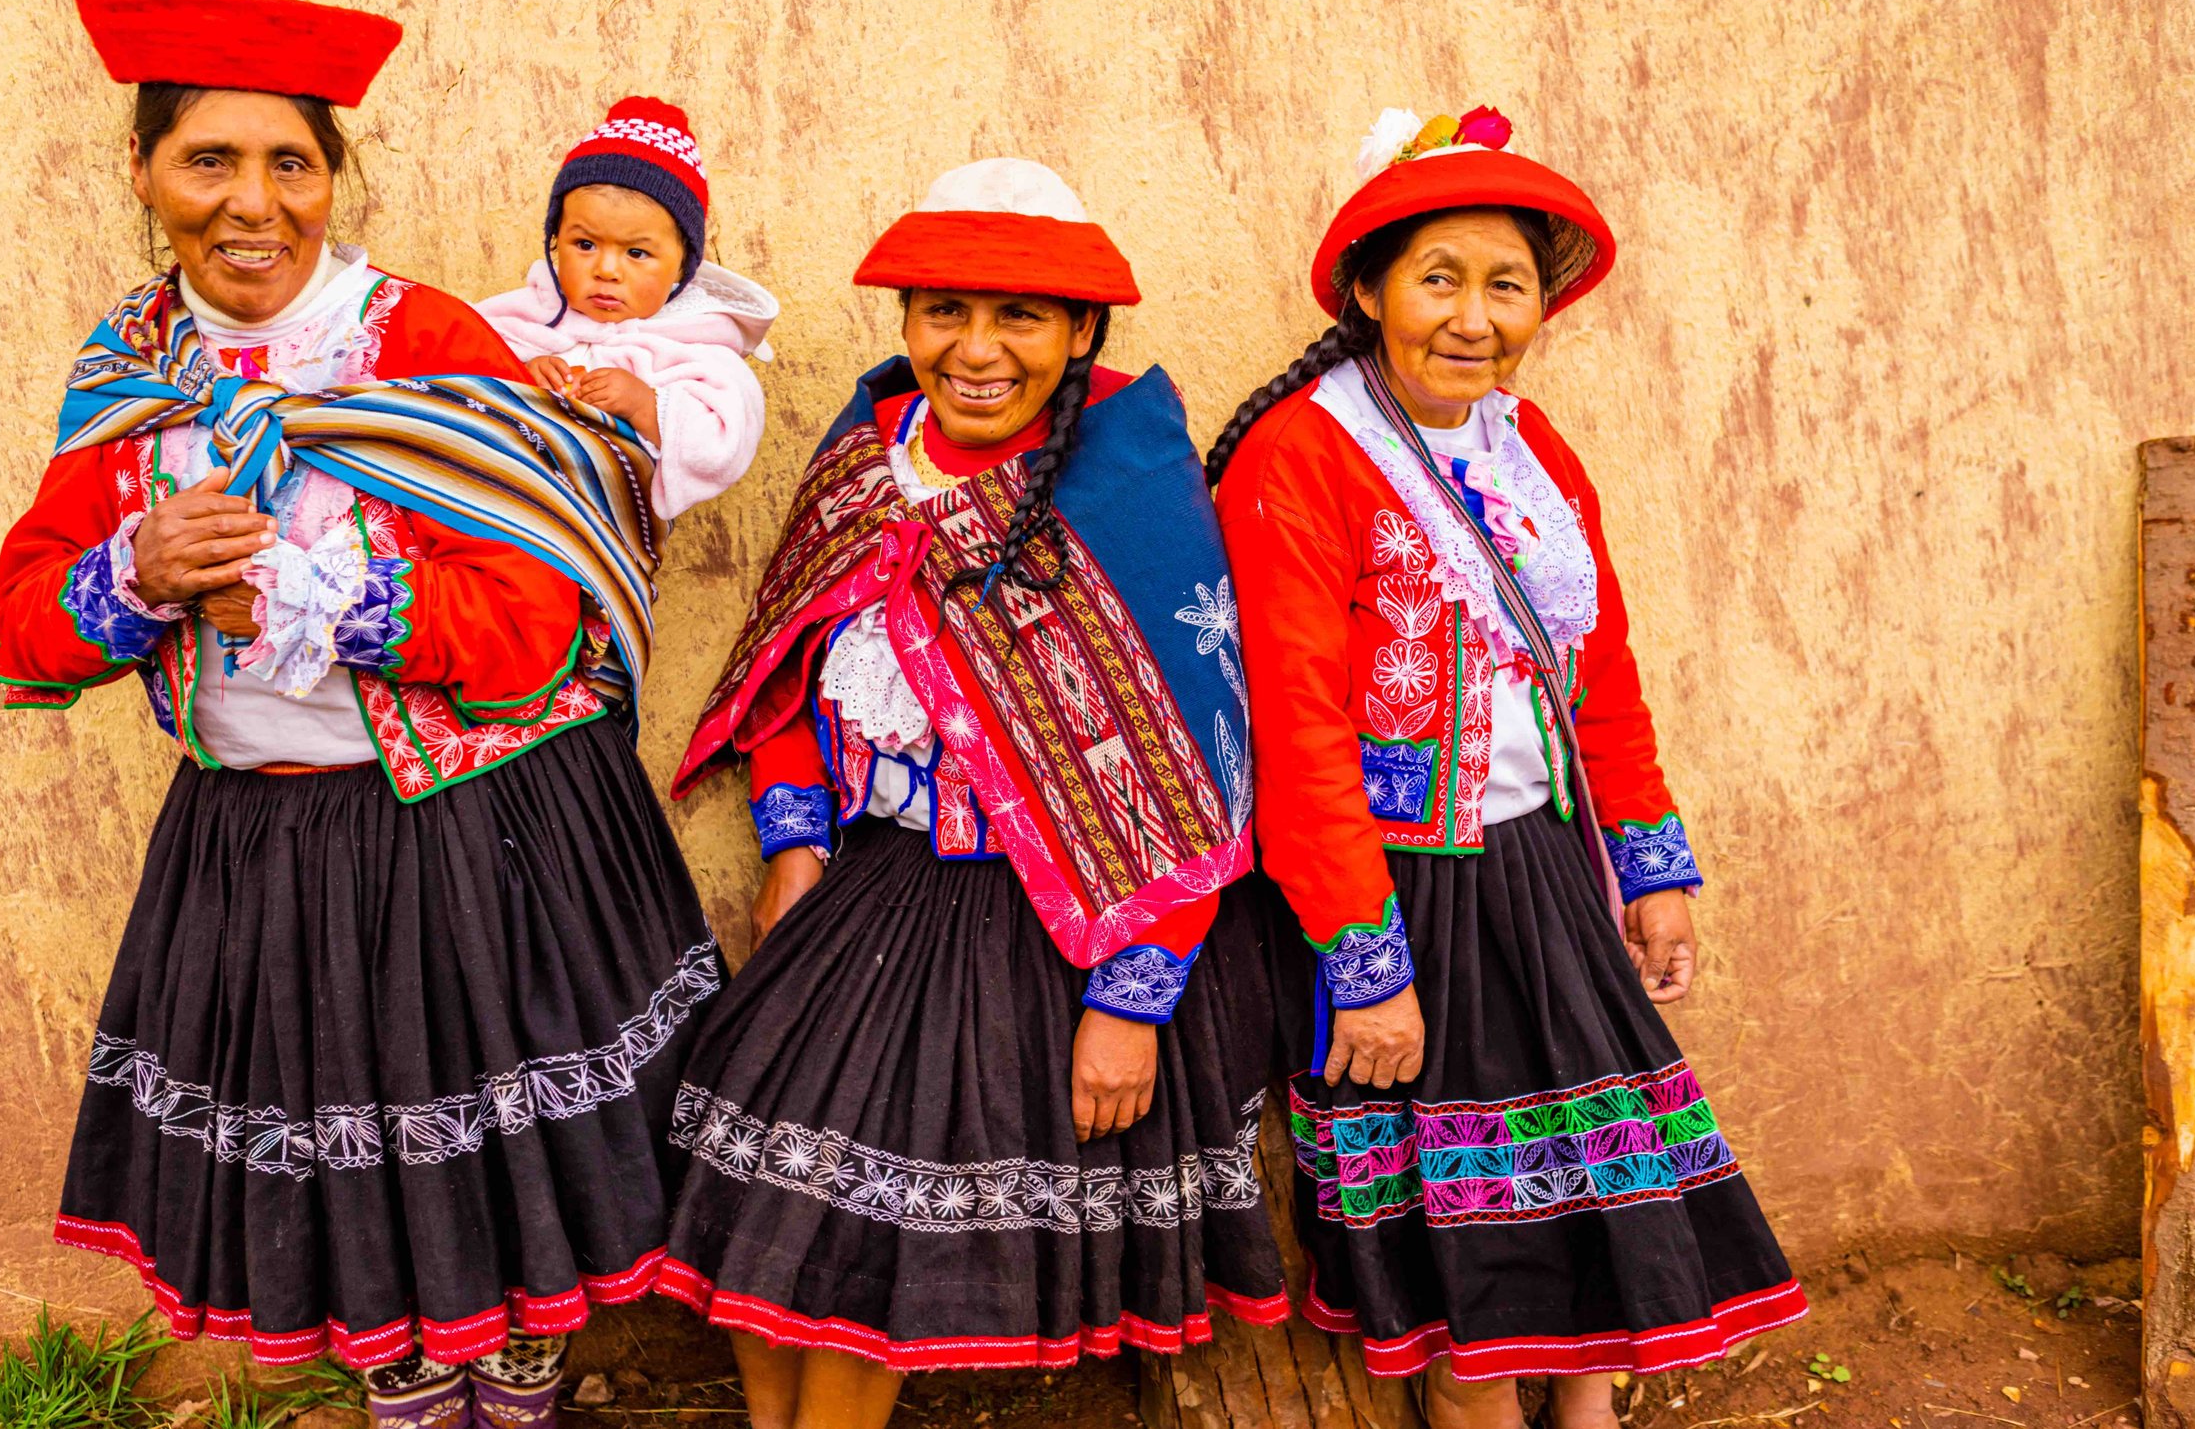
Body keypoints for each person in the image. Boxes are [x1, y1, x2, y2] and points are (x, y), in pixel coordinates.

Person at [0, 0, 720, 1428]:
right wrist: (135, 573)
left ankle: (517, 1397)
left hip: (473, 834)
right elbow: (29, 626)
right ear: (143, 176)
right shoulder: (128, 370)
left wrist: (338, 598)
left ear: (331, 181)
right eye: (209, 162)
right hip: (260, 852)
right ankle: (405, 1401)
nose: (254, 204)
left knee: (507, 1194)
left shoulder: (423, 338)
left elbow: (533, 619)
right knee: (348, 1190)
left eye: (291, 164)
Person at [658, 160, 1288, 1428]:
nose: (978, 349)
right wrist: (794, 844)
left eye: (1022, 316)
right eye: (945, 309)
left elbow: (1196, 762)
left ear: (1079, 333)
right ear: (908, 323)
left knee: (857, 1275)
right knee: (758, 1240)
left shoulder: (1126, 492)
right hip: (869, 900)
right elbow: (790, 672)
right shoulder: (866, 461)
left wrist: (1130, 998)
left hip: (1052, 930)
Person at [1207, 108, 1804, 1427]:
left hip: (1545, 871)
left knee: (1593, 1173)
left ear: (1542, 304)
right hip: (1398, 889)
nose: (1471, 317)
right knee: (1463, 1222)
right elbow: (1297, 722)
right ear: (1369, 290)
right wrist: (1365, 958)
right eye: (1438, 278)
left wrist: (1654, 869)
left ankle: (1585, 1416)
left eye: (1505, 283)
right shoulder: (1302, 455)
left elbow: (1606, 676)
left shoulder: (1535, 454)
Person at [477, 96, 779, 521]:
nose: (606, 270)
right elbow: (456, 375)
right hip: (493, 511)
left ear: (682, 266)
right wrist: (520, 372)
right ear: (555, 240)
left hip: (602, 536)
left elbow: (723, 444)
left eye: (636, 253)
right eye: (584, 245)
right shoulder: (521, 317)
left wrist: (646, 406)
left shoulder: (700, 349)